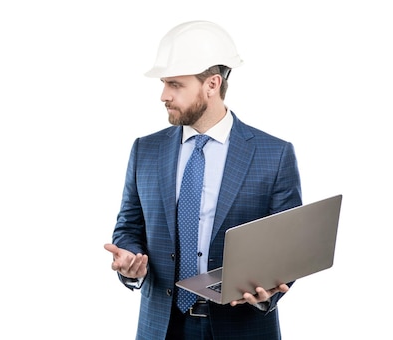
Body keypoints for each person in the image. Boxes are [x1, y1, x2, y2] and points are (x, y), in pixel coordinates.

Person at [104, 20, 302, 339]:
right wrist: (129, 260)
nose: (163, 95)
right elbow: (129, 227)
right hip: (163, 327)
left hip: (242, 327)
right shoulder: (146, 150)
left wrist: (271, 291)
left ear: (211, 84)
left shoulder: (274, 154)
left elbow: (289, 247)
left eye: (175, 84)